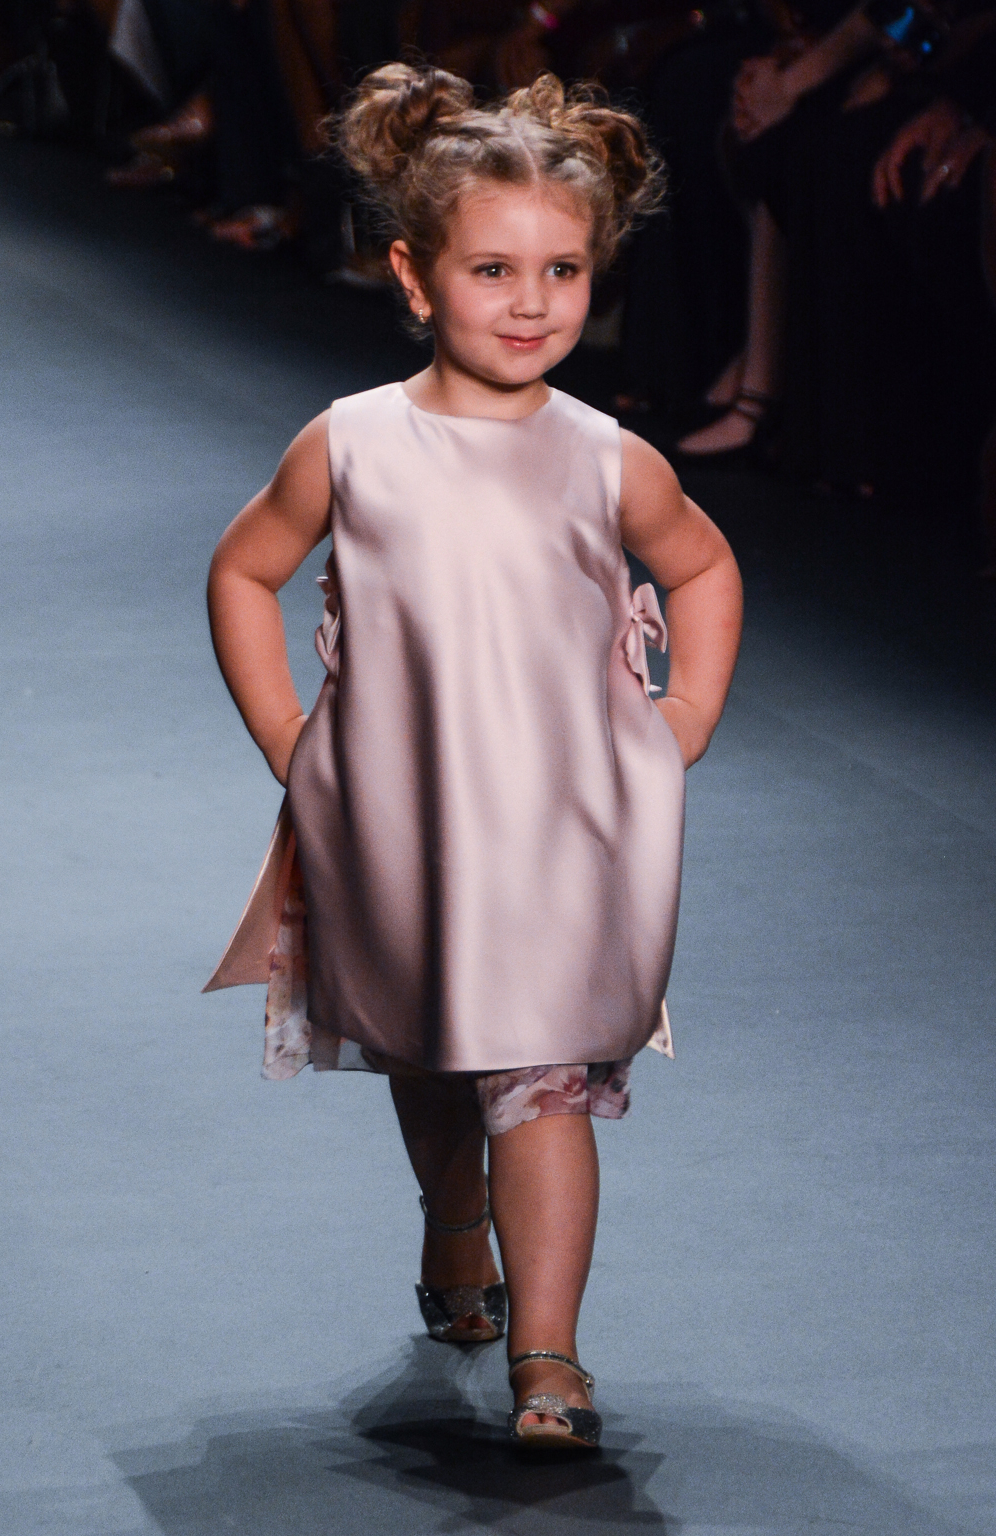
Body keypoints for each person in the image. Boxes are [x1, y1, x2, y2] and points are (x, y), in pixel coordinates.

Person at [205, 63, 742, 1450]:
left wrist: (683, 719)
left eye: (563, 270)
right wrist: (288, 740)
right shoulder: (354, 443)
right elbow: (245, 569)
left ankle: (548, 1355)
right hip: (406, 819)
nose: (530, 302)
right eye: (493, 269)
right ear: (413, 274)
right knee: (439, 1052)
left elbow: (701, 566)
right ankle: (456, 1227)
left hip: (566, 829)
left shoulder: (606, 455)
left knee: (541, 1074)